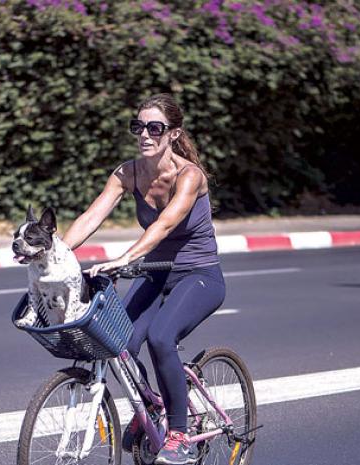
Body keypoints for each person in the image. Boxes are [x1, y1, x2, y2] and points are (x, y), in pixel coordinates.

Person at [62, 93, 226, 465]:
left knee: (160, 337)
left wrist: (123, 258)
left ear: (173, 133)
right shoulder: (129, 172)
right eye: (139, 127)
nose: (145, 135)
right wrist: (57, 254)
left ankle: (180, 436)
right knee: (118, 342)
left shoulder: (190, 176)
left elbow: (165, 226)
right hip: (155, 274)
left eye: (155, 128)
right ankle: (150, 406)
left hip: (199, 276)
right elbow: (92, 216)